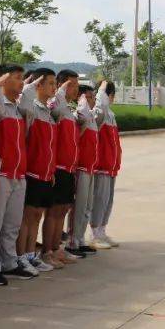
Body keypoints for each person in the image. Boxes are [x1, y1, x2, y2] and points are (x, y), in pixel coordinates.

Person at [0, 66, 28, 285]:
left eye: (23, 79)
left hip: (18, 173)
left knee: (12, 223)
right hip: (2, 172)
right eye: (18, 78)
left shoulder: (19, 109)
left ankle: (9, 261)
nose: (22, 83)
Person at [16, 68, 58, 275]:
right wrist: (29, 86)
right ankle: (21, 256)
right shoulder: (31, 108)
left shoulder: (48, 112)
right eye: (49, 83)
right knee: (27, 216)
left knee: (38, 215)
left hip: (45, 174)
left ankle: (32, 254)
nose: (54, 87)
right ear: (38, 85)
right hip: (32, 172)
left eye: (54, 83)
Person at [51, 69, 83, 257]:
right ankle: (50, 251)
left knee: (63, 210)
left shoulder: (69, 109)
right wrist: (60, 90)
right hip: (59, 168)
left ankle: (57, 249)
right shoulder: (57, 106)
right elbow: (53, 106)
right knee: (54, 211)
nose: (76, 90)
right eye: (73, 85)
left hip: (70, 168)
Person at [90, 81, 121, 249]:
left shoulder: (111, 114)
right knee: (100, 199)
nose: (112, 99)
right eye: (110, 95)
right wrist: (101, 90)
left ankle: (102, 230)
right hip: (101, 165)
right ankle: (94, 234)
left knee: (108, 200)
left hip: (111, 165)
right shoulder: (99, 113)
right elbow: (99, 109)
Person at [70, 84, 100, 252]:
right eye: (89, 97)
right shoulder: (79, 116)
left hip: (90, 168)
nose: (93, 100)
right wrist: (81, 102)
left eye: (93, 97)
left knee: (87, 206)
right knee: (79, 206)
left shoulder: (92, 119)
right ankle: (73, 241)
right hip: (81, 168)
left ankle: (80, 239)